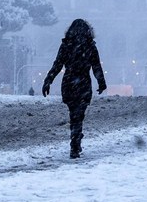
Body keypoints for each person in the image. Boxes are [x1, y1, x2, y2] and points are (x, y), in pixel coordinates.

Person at [42, 19, 107, 159]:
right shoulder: (90, 46)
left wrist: (48, 81)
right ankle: (76, 140)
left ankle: (75, 139)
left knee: (74, 115)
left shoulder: (66, 45)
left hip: (69, 83)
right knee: (79, 115)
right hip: (83, 83)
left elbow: (57, 64)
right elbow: (96, 66)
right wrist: (101, 83)